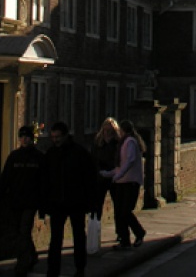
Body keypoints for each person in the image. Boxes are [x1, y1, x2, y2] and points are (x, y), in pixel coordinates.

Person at [41, 121, 98, 277]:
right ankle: (53, 270)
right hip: (57, 203)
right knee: (55, 239)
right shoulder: (51, 154)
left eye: (58, 137)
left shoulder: (79, 153)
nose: (55, 140)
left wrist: (92, 202)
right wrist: (44, 204)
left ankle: (80, 268)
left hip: (76, 202)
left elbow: (91, 179)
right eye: (53, 137)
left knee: (78, 236)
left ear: (65, 136)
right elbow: (45, 181)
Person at [0, 125, 44, 277]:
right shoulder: (14, 157)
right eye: (22, 137)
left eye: (27, 136)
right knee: (19, 232)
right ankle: (32, 255)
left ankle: (22, 264)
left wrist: (42, 206)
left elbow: (44, 182)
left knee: (24, 230)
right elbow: (5, 179)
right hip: (16, 201)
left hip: (31, 202)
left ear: (32, 138)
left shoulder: (39, 157)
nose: (24, 139)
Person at [102, 119, 148, 250]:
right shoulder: (123, 143)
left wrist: (118, 175)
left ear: (122, 131)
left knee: (125, 211)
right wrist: (107, 174)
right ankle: (124, 239)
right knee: (119, 212)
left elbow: (130, 161)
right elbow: (120, 166)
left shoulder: (130, 142)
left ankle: (139, 232)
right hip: (122, 182)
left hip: (131, 182)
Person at [92, 117, 121, 244]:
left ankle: (120, 232)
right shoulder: (98, 142)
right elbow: (94, 158)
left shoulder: (117, 143)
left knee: (118, 206)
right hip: (101, 177)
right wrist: (99, 171)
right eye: (106, 130)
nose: (108, 133)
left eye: (110, 130)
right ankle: (95, 231)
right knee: (97, 205)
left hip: (114, 177)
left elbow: (119, 160)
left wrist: (113, 171)